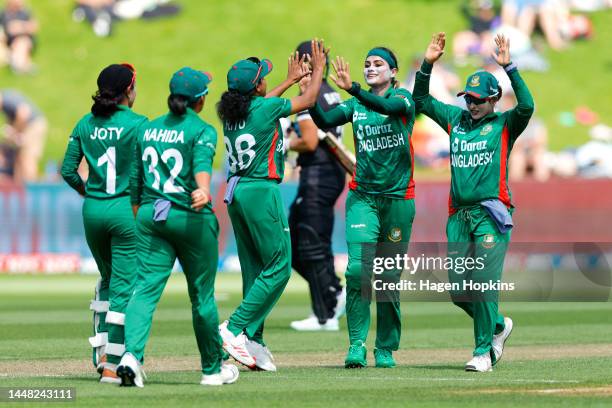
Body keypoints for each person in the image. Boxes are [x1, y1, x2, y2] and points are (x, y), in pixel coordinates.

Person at [413, 32, 534, 372]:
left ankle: (483, 351)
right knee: (458, 290)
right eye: (468, 97)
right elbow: (420, 102)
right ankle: (498, 325)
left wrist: (509, 67)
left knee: (482, 282)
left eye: (479, 99)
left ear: (495, 99)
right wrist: (427, 65)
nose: (472, 104)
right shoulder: (456, 121)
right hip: (458, 216)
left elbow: (527, 106)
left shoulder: (504, 123)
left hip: (491, 214)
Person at [116, 67, 239, 387]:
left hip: (150, 216)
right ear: (200, 101)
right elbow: (201, 170)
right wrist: (202, 190)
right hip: (190, 219)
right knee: (202, 297)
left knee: (143, 290)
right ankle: (212, 370)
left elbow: (135, 185)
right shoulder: (202, 130)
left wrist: (143, 217)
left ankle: (130, 357)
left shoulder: (148, 128)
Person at [216, 39, 327, 372]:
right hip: (260, 191)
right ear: (257, 86)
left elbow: (262, 103)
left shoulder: (235, 112)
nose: (266, 77)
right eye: (263, 75)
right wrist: (316, 71)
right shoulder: (263, 108)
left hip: (236, 192)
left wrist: (288, 81)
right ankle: (234, 328)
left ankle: (253, 338)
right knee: (280, 265)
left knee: (254, 269)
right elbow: (308, 100)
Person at [308, 47, 416, 368]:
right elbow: (326, 120)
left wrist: (354, 88)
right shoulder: (356, 105)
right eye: (366, 64)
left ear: (393, 72)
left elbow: (384, 105)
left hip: (398, 200)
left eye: (378, 64)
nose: (370, 68)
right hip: (363, 197)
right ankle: (356, 344)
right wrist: (314, 84)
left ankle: (385, 348)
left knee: (386, 279)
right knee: (358, 270)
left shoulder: (404, 100)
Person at [60, 63, 145, 384]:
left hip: (94, 211)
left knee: (109, 279)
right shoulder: (139, 124)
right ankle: (112, 364)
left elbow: (68, 170)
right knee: (126, 287)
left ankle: (100, 350)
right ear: (128, 90)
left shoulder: (85, 123)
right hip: (126, 211)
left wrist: (91, 193)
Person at [287, 40, 347, 332]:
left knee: (306, 243)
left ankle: (328, 307)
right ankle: (328, 300)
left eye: (300, 62)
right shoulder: (329, 93)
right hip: (329, 173)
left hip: (318, 174)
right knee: (309, 242)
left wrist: (284, 143)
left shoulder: (312, 94)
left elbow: (309, 141)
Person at [0, 89, 46, 182]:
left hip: (34, 125)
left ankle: (33, 188)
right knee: (19, 157)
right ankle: (20, 187)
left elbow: (23, 113)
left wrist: (15, 130)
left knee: (27, 157)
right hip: (28, 127)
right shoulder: (6, 104)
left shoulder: (8, 99)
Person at [0, 0, 37, 73]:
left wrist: (20, 27)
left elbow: (34, 27)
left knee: (21, 44)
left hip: (22, 39)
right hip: (7, 41)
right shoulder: (3, 13)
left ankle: (20, 65)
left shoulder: (25, 12)